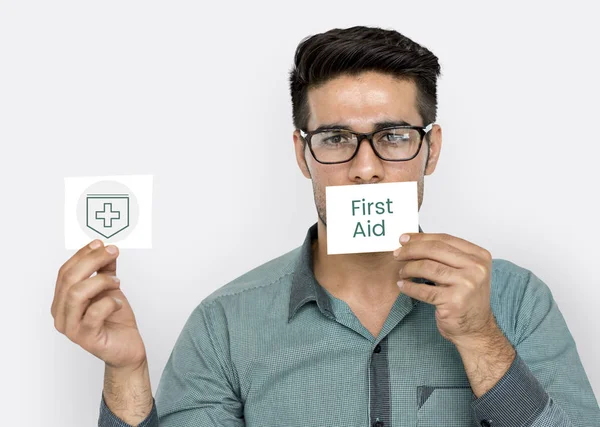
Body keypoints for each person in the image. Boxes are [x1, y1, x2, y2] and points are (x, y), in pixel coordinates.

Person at [51, 26, 600, 427]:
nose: (366, 168)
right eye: (336, 139)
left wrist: (481, 340)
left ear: (431, 149)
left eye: (393, 135)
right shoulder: (224, 325)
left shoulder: (519, 300)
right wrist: (126, 370)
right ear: (302, 154)